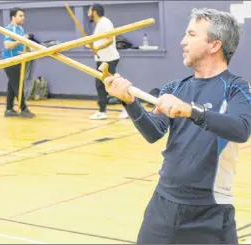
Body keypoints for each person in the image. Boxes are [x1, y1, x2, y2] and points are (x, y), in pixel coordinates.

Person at [104, 8, 250, 243]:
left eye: (191, 34)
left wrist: (191, 111)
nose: (183, 41)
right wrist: (130, 102)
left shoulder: (237, 88)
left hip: (211, 214)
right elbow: (153, 132)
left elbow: (241, 129)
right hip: (162, 207)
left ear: (214, 45)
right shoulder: (174, 88)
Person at [86, 3, 121, 120]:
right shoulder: (100, 24)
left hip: (108, 60)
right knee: (102, 86)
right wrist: (92, 45)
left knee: (109, 86)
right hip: (104, 59)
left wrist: (96, 48)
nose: (88, 14)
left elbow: (110, 40)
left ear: (94, 12)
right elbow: (100, 41)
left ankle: (125, 109)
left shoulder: (104, 23)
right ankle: (102, 111)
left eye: (89, 11)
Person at [2, 7, 35, 118]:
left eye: (23, 16)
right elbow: (7, 45)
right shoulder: (9, 29)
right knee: (17, 85)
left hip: (20, 60)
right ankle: (24, 109)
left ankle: (9, 109)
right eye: (20, 16)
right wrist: (20, 40)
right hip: (11, 61)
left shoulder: (20, 28)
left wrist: (31, 48)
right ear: (13, 17)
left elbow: (23, 43)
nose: (23, 18)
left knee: (12, 85)